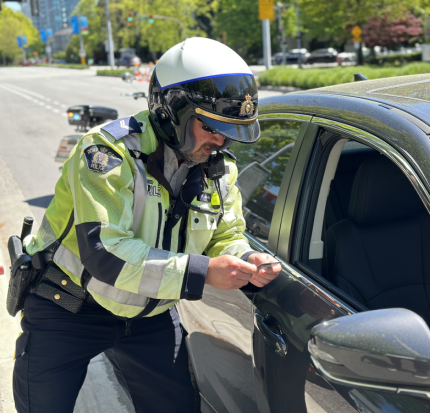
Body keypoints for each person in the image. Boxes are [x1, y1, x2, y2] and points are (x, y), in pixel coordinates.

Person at [14, 37, 281, 413]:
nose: (221, 140)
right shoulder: (107, 153)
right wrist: (204, 273)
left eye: (231, 130)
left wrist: (245, 256)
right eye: (211, 127)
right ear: (172, 111)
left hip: (149, 314)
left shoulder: (220, 168)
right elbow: (105, 252)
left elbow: (226, 234)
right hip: (69, 308)